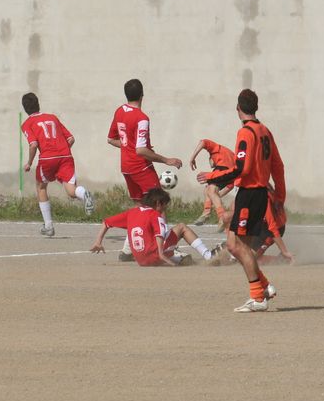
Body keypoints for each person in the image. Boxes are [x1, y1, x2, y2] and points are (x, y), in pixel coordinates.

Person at [200, 89, 285, 312]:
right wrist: (280, 195)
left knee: (239, 247)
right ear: (255, 107)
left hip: (250, 194)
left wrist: (212, 176)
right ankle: (264, 286)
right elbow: (278, 165)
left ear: (238, 108)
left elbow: (241, 168)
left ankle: (258, 297)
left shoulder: (246, 133)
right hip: (257, 193)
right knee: (234, 245)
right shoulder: (265, 130)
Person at [107, 78, 183, 260]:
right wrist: (166, 160)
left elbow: (111, 139)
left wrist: (129, 146)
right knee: (159, 206)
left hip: (126, 167)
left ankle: (127, 250)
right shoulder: (142, 118)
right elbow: (141, 150)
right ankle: (166, 248)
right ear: (142, 95)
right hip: (140, 167)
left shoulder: (119, 111)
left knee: (139, 208)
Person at [20, 92, 95, 237]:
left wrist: (29, 163)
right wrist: (62, 151)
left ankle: (48, 226)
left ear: (25, 108)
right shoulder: (52, 117)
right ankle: (84, 194)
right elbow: (71, 139)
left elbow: (33, 144)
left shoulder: (27, 124)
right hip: (66, 155)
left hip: (48, 158)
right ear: (38, 104)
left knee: (41, 187)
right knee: (71, 191)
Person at [89, 188, 223, 267]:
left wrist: (98, 242)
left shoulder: (131, 213)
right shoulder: (155, 214)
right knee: (182, 227)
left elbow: (106, 223)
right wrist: (161, 254)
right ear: (158, 203)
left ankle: (177, 258)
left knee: (178, 254)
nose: (165, 209)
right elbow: (160, 234)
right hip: (154, 256)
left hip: (140, 260)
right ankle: (208, 255)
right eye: (164, 205)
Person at [188, 138, 235, 229]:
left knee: (211, 189)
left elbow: (203, 142)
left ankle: (221, 217)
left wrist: (192, 158)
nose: (211, 165)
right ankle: (206, 212)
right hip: (231, 174)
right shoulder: (230, 156)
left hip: (223, 169)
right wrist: (214, 199)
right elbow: (228, 187)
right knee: (208, 190)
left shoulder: (216, 150)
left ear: (211, 158)